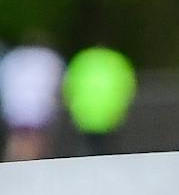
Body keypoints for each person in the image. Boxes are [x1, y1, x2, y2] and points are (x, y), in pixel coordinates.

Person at [2, 33, 65, 163]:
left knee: (18, 137)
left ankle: (13, 164)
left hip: (14, 106)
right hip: (38, 107)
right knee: (34, 139)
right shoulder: (49, 58)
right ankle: (29, 165)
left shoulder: (12, 57)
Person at [62, 45, 136, 155]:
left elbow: (68, 85)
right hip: (111, 113)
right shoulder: (116, 60)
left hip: (84, 114)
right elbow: (127, 85)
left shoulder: (82, 59)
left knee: (87, 148)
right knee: (109, 149)